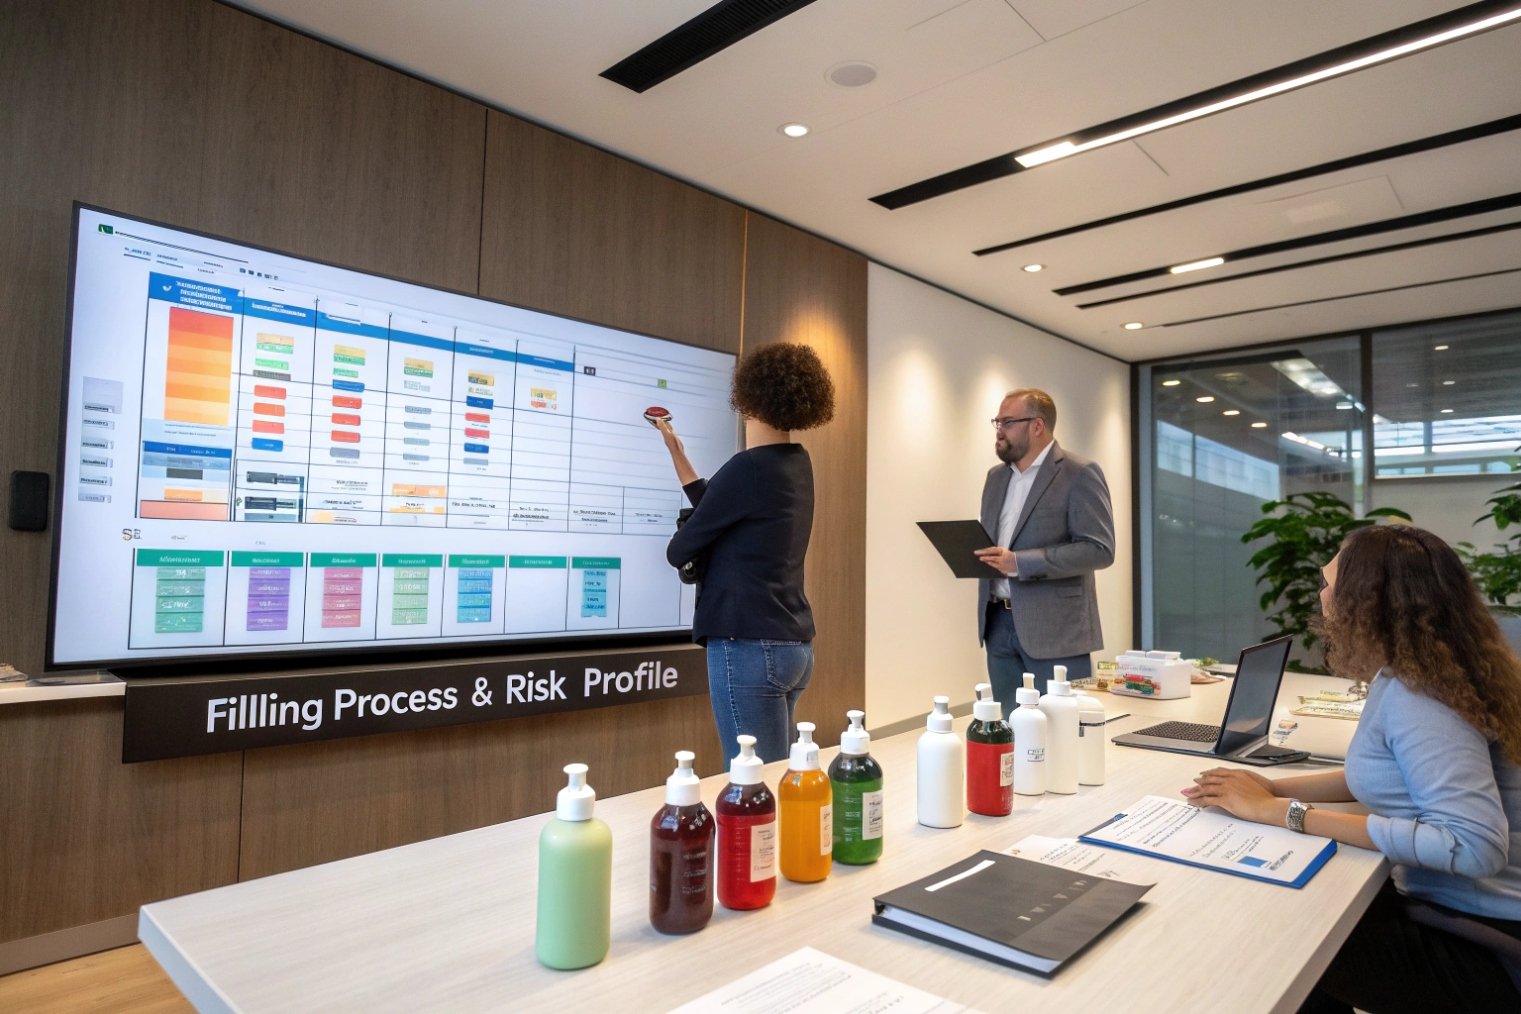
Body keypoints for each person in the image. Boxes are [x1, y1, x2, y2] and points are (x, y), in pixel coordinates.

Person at [1184, 524, 1521, 1011]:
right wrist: (1271, 788)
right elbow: (1390, 776)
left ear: (1365, 600)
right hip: (1463, 912)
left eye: (1327, 583)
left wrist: (1282, 813)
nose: (1321, 596)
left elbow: (1471, 847)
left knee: (1276, 936)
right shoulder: (1424, 670)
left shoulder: (1420, 698)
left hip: (1486, 943)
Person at [653, 342, 835, 765]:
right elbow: (723, 506)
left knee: (751, 784)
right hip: (791, 645)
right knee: (778, 776)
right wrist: (677, 453)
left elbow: (680, 550)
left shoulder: (748, 467)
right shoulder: (793, 462)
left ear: (747, 397)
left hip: (748, 646)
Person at [973, 388, 1114, 713]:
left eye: (1007, 422)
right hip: (997, 622)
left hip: (1057, 630)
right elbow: (999, 543)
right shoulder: (995, 478)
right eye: (997, 421)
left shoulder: (1079, 473)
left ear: (1038, 426)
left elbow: (1099, 549)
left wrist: (1019, 562)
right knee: (1008, 727)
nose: (999, 431)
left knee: (1062, 730)